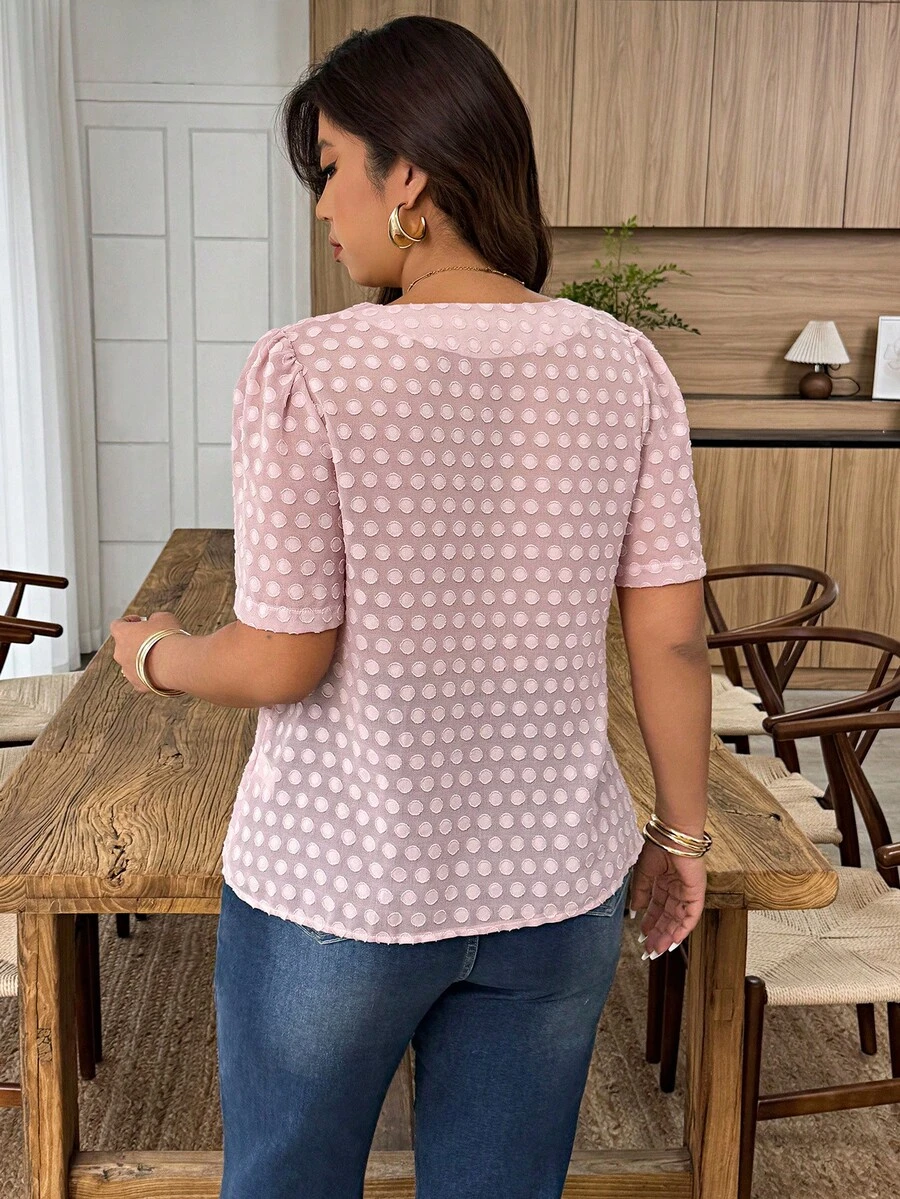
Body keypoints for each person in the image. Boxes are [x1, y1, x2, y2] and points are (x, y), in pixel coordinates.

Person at [115, 14, 713, 1199]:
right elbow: (672, 633)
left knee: (287, 1181)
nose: (323, 208)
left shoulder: (307, 368)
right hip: (554, 887)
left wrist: (154, 655)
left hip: (339, 887)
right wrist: (682, 838)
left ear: (411, 176)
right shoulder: (626, 366)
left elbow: (283, 655)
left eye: (332, 167)